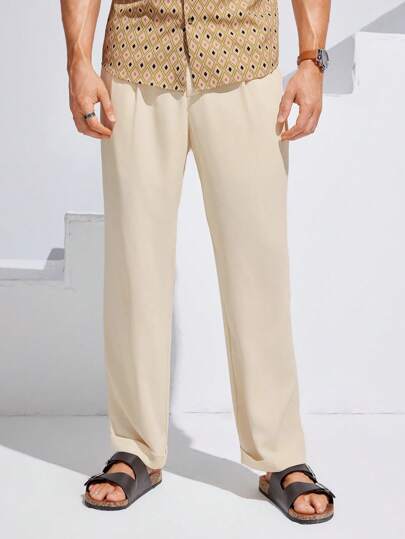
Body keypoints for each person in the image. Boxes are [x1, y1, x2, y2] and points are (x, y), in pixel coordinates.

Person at [61, 0, 335, 524]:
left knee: (258, 269)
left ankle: (280, 454)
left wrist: (311, 60)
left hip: (243, 56)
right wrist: (78, 61)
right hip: (137, 58)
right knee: (135, 268)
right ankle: (135, 448)